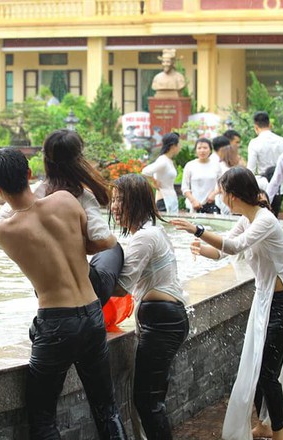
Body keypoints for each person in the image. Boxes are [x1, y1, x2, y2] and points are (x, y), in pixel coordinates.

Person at [0, 148, 127, 440]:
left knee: (43, 421)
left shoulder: (4, 231)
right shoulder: (65, 200)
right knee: (107, 409)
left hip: (56, 323)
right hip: (92, 313)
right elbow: (90, 243)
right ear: (28, 174)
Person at [171, 166, 283, 440]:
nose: (221, 199)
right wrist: (200, 248)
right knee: (257, 369)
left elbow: (235, 246)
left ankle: (279, 431)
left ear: (233, 195)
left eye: (223, 193)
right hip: (265, 301)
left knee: (266, 372)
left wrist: (198, 230)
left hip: (282, 303)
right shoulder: (248, 218)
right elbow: (223, 250)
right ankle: (265, 424)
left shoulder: (264, 220)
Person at [0, 129, 123, 307]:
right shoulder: (79, 196)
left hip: (49, 297)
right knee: (115, 247)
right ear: (78, 160)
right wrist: (74, 246)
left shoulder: (36, 192)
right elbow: (104, 241)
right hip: (91, 293)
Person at [110, 173, 190, 440]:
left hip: (163, 323)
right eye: (112, 200)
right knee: (152, 398)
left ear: (136, 202)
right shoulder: (150, 231)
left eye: (120, 200)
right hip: (164, 320)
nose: (114, 207)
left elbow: (121, 286)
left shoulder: (144, 237)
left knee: (147, 401)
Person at [247, 111, 283, 216]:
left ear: (256, 127)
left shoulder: (255, 142)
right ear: (270, 125)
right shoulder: (282, 141)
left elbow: (250, 170)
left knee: (262, 217)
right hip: (279, 186)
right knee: (274, 216)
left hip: (263, 185)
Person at [141, 131, 181, 215]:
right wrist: (154, 181)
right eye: (179, 144)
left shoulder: (168, 160)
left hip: (171, 198)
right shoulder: (163, 160)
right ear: (173, 146)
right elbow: (145, 171)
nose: (180, 147)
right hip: (164, 199)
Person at [181, 138, 221, 213]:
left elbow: (221, 184)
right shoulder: (190, 165)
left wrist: (214, 194)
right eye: (199, 148)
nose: (202, 150)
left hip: (211, 204)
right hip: (194, 206)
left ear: (210, 150)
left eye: (205, 148)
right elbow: (185, 187)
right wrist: (193, 201)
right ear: (196, 150)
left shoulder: (216, 165)